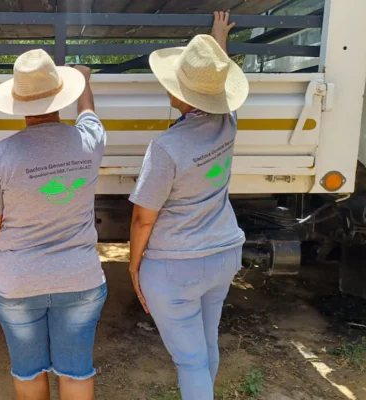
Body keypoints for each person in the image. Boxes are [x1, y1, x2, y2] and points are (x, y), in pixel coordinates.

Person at [0, 49, 106, 400]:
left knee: (28, 371)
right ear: (62, 96)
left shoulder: (3, 153)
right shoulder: (89, 141)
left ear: (19, 104)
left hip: (17, 280)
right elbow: (89, 114)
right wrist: (85, 80)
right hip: (80, 278)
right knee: (76, 372)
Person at [128, 12, 248, 400]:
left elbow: (144, 217)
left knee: (190, 360)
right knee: (205, 344)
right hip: (224, 253)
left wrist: (134, 266)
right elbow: (219, 88)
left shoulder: (166, 148)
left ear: (178, 94)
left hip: (177, 264)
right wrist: (216, 43)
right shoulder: (228, 122)